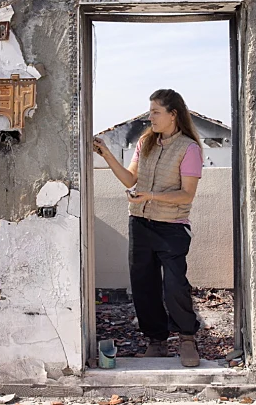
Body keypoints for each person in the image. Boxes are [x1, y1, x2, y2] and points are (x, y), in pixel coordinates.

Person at [93, 89, 203, 367]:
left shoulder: (189, 149)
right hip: (140, 223)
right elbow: (131, 179)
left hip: (172, 227)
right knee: (144, 286)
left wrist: (151, 195)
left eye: (155, 111)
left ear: (172, 114)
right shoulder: (145, 143)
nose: (150, 116)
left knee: (175, 285)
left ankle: (187, 339)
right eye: (150, 111)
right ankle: (156, 341)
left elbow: (186, 195)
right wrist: (106, 154)